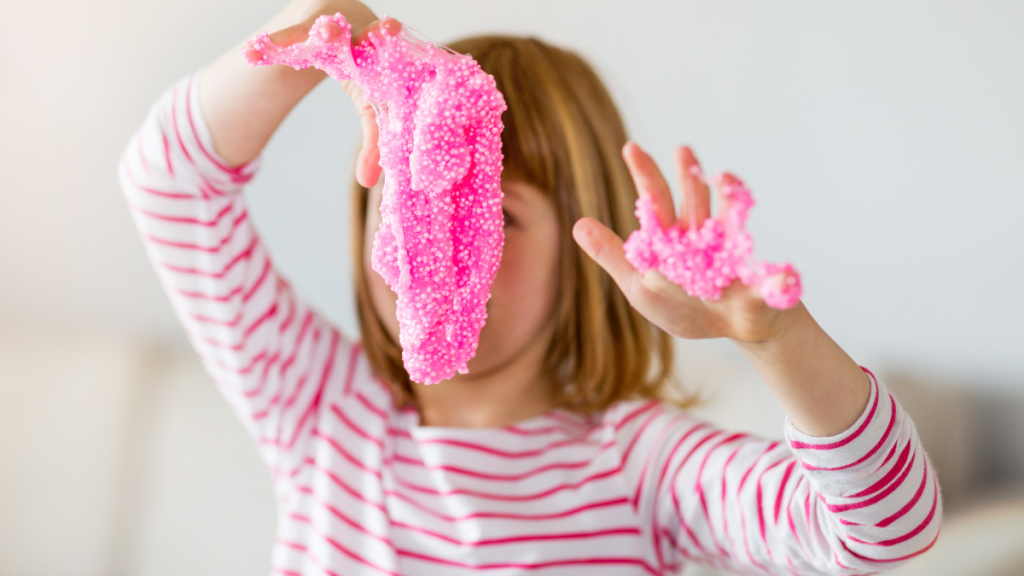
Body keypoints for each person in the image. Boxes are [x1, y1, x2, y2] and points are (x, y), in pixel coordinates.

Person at [118, 1, 941, 574]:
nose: (427, 240)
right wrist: (336, 19)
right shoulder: (322, 413)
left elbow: (883, 532)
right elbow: (169, 179)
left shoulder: (641, 469)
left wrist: (776, 337)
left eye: (495, 216)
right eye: (404, 194)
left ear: (586, 250)